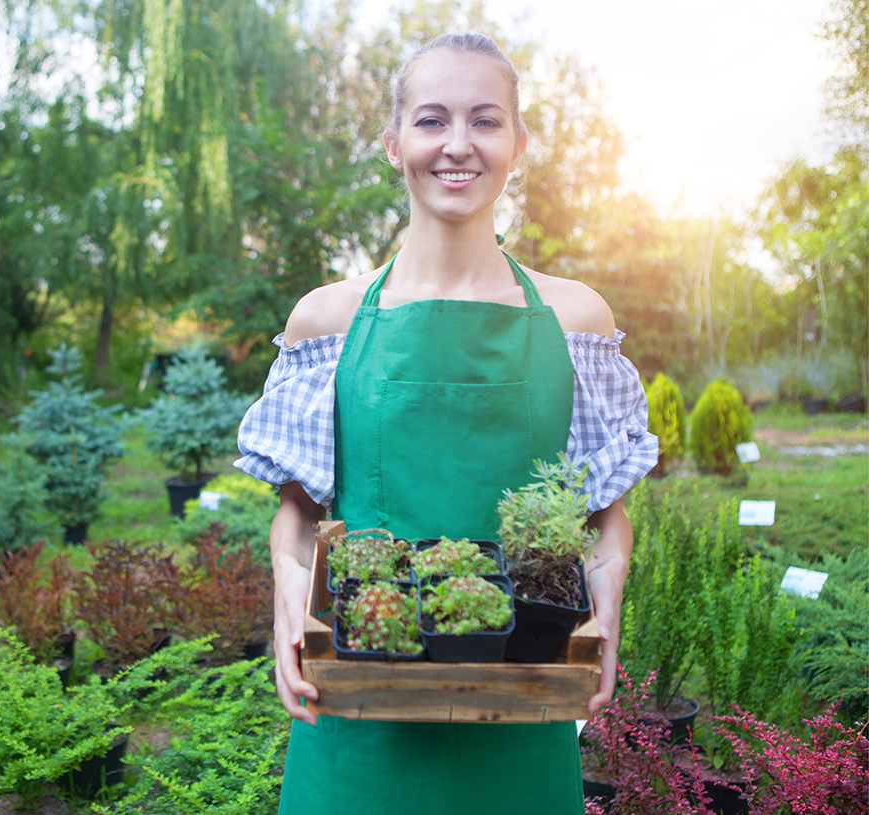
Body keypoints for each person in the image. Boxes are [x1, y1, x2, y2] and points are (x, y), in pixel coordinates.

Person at [235, 32, 658, 814]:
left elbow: (604, 513)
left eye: (485, 121)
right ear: (393, 144)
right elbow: (296, 511)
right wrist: (289, 592)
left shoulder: (575, 319)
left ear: (519, 145)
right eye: (432, 121)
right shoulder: (325, 320)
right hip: (360, 704)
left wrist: (607, 601)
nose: (458, 145)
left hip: (522, 698)